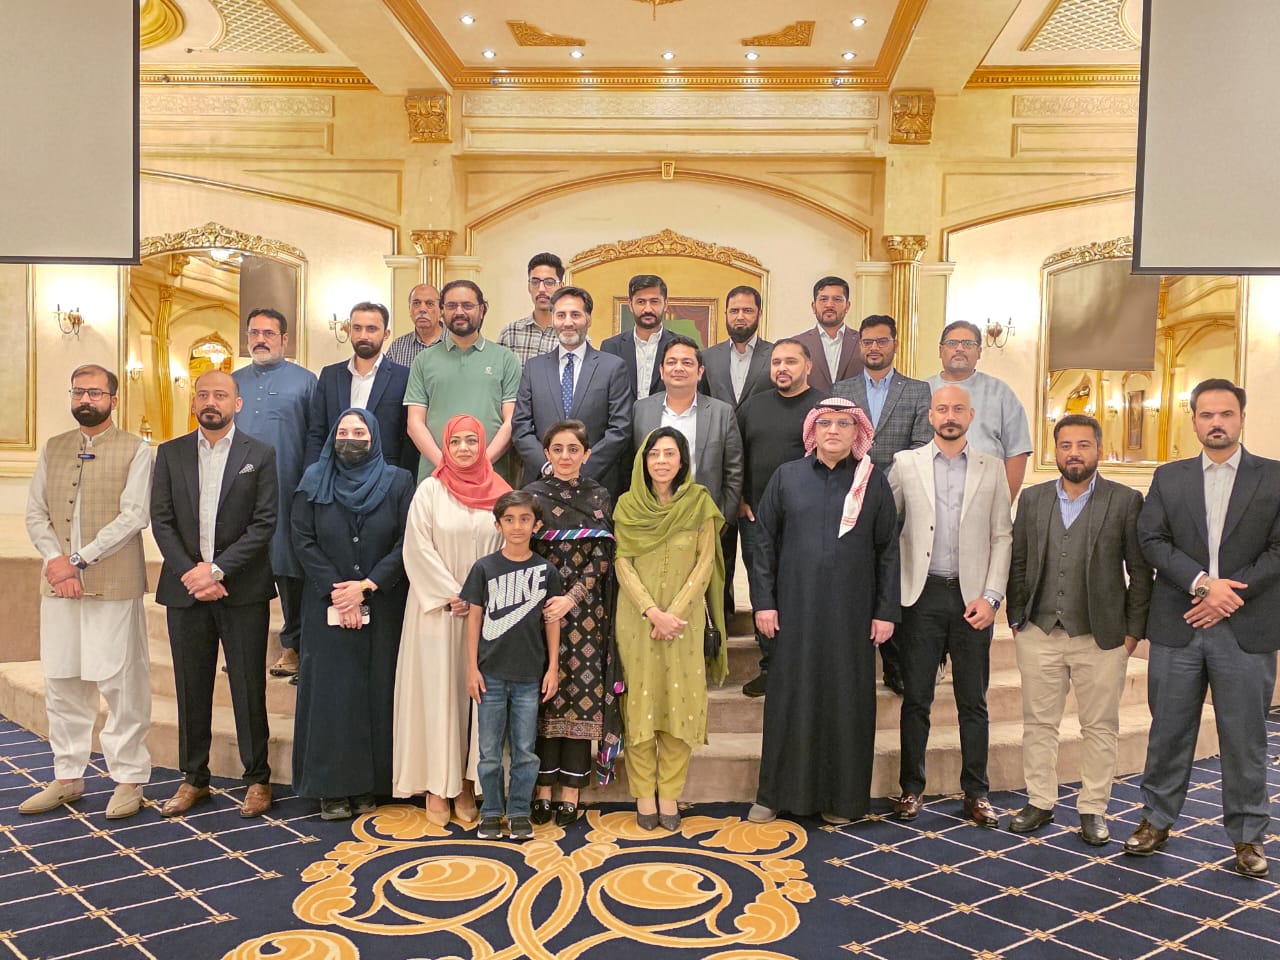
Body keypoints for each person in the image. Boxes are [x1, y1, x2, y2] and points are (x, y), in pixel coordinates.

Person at [1127, 378, 1280, 879]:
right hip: (1180, 624)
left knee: (1245, 738)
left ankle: (1248, 836)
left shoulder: (1274, 477)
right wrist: (1202, 585)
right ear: (1193, 420)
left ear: (1242, 418)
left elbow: (1278, 549)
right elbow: (1151, 539)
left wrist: (1229, 595)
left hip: (1245, 627)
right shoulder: (1169, 477)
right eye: (1207, 414)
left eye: (1226, 414)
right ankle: (1155, 820)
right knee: (1168, 732)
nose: (1217, 423)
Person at [747, 397, 899, 825]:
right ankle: (775, 795)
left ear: (857, 432)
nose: (833, 430)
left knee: (846, 704)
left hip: (852, 616)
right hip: (793, 612)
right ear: (813, 430)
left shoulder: (872, 482)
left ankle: (844, 800)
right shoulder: (787, 477)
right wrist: (764, 602)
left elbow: (888, 550)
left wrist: (886, 611)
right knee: (789, 701)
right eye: (826, 423)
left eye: (843, 424)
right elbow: (762, 544)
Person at [1006, 414, 1152, 845]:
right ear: (1055, 451)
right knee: (1038, 723)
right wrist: (1017, 618)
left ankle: (1093, 808)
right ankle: (1040, 801)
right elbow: (1018, 561)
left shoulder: (1124, 500)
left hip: (1101, 636)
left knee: (1100, 726)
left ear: (1099, 450)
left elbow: (1140, 572)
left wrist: (1131, 633)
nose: (1074, 453)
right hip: (1038, 631)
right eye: (1066, 445)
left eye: (1083, 445)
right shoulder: (1032, 499)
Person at [20, 365, 153, 819]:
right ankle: (67, 776)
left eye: (95, 392)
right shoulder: (53, 447)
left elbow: (134, 515)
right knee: (62, 680)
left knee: (121, 682)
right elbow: (36, 513)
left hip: (113, 585)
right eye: (79, 391)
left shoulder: (137, 450)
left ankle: (129, 778)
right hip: (59, 585)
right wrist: (56, 562)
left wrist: (78, 560)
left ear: (114, 399)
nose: (86, 399)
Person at [150, 370, 279, 818]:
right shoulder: (170, 453)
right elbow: (161, 520)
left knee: (248, 686)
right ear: (193, 403)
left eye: (220, 395)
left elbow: (264, 522)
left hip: (241, 590)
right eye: (203, 394)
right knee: (191, 688)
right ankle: (194, 779)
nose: (211, 401)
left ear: (237, 404)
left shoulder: (259, 454)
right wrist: (192, 574)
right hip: (185, 591)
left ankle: (257, 779)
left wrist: (217, 570)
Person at [889, 385, 1012, 827]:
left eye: (958, 408)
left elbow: (1002, 536)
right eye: (942, 408)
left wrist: (992, 597)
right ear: (930, 416)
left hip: (972, 600)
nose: (950, 415)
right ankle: (911, 788)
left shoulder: (991, 467)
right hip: (920, 597)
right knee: (916, 699)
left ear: (970, 415)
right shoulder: (905, 464)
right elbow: (885, 527)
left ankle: (977, 793)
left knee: (973, 702)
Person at [290, 408, 415, 821]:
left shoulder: (398, 481)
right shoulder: (313, 479)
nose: (351, 439)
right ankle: (330, 788)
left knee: (375, 693)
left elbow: (407, 540)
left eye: (359, 432)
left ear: (374, 437)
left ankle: (370, 785)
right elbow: (302, 539)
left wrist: (367, 586)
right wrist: (338, 591)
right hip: (325, 603)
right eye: (343, 432)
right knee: (332, 696)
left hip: (382, 602)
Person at [392, 414, 511, 825]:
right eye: (456, 441)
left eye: (471, 441)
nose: (463, 448)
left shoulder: (501, 494)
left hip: (485, 612)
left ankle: (464, 782)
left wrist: (479, 595)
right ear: (445, 446)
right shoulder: (429, 490)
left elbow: (509, 548)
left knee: (476, 699)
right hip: (438, 612)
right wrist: (451, 593)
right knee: (438, 695)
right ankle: (435, 783)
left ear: (483, 445)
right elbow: (416, 547)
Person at [613, 427, 726, 831]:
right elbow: (622, 563)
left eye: (670, 454)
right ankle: (644, 794)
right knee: (640, 707)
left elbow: (705, 563)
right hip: (637, 622)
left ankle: (670, 794)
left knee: (679, 706)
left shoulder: (699, 503)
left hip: (684, 623)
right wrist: (652, 612)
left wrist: (673, 613)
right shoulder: (627, 506)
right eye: (654, 454)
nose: (661, 461)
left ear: (683, 461)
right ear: (643, 461)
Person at [524, 420, 618, 828]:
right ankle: (542, 789)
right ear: (546, 453)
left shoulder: (598, 495)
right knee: (545, 695)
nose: (565, 456)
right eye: (557, 449)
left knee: (581, 693)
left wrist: (572, 598)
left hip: (585, 612)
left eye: (573, 449)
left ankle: (571, 791)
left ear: (586, 454)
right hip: (540, 609)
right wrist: (549, 598)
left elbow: (603, 557)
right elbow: (523, 549)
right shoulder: (532, 495)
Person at [832, 313, 932, 696]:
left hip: (899, 499)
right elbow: (836, 441)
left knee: (892, 577)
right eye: (868, 341)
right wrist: (858, 484)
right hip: (848, 499)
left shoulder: (917, 391)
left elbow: (921, 444)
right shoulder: (842, 389)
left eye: (882, 341)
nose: (874, 348)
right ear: (860, 346)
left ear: (894, 344)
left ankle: (894, 665)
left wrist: (881, 484)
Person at [463, 490, 563, 841]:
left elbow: (552, 621)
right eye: (509, 519)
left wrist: (553, 668)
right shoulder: (484, 568)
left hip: (529, 677)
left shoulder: (547, 571)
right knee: (489, 753)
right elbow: (474, 619)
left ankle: (519, 811)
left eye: (524, 519)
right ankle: (491, 811)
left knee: (525, 752)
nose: (517, 526)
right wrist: (471, 668)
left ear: (536, 525)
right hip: (490, 675)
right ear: (498, 525)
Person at [735, 338, 828, 697]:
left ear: (808, 366)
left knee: (804, 594)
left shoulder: (824, 408)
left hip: (809, 522)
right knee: (764, 593)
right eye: (776, 362)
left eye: (791, 361)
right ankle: (771, 667)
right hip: (757, 519)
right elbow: (735, 455)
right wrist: (740, 497)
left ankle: (803, 669)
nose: (782, 368)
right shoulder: (752, 407)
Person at [232, 307, 317, 681]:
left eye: (268, 333)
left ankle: (292, 646)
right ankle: (243, 650)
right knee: (241, 568)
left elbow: (316, 437)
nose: (260, 340)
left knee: (289, 569)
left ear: (284, 339)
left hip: (288, 489)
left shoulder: (306, 382)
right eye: (254, 333)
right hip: (239, 494)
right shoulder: (233, 383)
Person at [511, 285, 633, 496]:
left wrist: (579, 470)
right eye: (561, 315)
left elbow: (620, 428)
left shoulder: (613, 367)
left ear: (589, 319)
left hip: (595, 485)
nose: (568, 322)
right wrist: (549, 467)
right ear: (553, 319)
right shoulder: (534, 368)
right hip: (542, 484)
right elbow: (521, 426)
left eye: (575, 315)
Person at [699, 285, 774, 616]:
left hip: (762, 472)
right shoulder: (708, 357)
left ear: (759, 314)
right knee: (720, 556)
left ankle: (766, 629)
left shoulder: (775, 356)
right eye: (734, 310)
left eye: (747, 310)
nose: (740, 316)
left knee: (761, 559)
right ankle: (721, 625)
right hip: (718, 473)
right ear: (725, 315)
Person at [405, 280, 522, 483]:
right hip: (436, 476)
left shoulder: (505, 359)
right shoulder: (423, 360)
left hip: (490, 476)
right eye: (451, 306)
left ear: (482, 310)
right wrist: (445, 465)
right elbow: (414, 423)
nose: (459, 312)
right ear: (442, 311)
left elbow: (511, 421)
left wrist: (480, 465)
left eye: (467, 305)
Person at [632, 334, 743, 523]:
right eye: (671, 362)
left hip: (704, 519)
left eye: (687, 362)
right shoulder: (641, 410)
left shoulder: (722, 413)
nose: (678, 368)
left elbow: (734, 472)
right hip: (651, 518)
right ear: (661, 371)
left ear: (700, 372)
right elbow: (630, 465)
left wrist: (721, 519)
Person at [307, 301, 416, 477]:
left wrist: (402, 480)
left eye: (371, 329)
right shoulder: (330, 375)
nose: (363, 335)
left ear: (386, 334)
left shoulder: (403, 377)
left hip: (385, 476)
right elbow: (316, 433)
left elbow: (408, 438)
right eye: (357, 328)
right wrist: (312, 476)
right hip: (335, 475)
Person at [926, 320, 1032, 499]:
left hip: (985, 495)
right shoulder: (921, 390)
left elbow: (1017, 451)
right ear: (940, 350)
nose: (960, 349)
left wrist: (1003, 503)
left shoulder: (1000, 392)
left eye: (968, 344)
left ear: (979, 352)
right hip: (930, 495)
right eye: (952, 343)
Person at [600, 274, 679, 400]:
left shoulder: (680, 346)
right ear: (630, 305)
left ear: (665, 304)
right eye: (641, 302)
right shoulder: (611, 347)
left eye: (654, 302)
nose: (648, 309)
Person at [793, 276, 863, 394]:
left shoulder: (863, 342)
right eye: (823, 299)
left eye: (837, 299)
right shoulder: (796, 344)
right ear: (814, 306)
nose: (829, 305)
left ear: (847, 306)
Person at [499, 252, 564, 366]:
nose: (541, 289)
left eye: (549, 282)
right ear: (529, 287)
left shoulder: (572, 335)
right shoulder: (511, 333)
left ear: (561, 287)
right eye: (535, 282)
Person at [386, 283, 444, 368]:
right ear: (409, 309)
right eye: (416, 303)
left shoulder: (456, 343)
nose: (422, 309)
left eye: (430, 304)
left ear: (441, 310)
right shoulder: (397, 347)